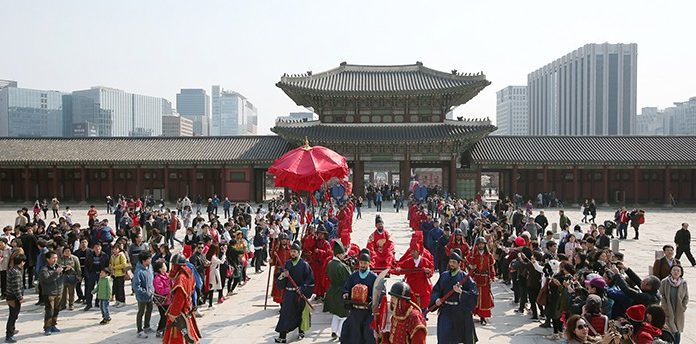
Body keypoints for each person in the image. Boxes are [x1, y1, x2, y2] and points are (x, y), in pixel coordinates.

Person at [429, 248, 478, 344]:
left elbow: (474, 294)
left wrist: (461, 292)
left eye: (454, 262)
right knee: (444, 338)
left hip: (460, 313)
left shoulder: (465, 277)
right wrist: (436, 299)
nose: (451, 264)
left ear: (459, 263)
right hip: (446, 311)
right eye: (450, 261)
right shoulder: (444, 275)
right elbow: (436, 290)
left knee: (457, 339)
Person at [274, 241, 314, 343]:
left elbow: (310, 280)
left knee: (299, 313)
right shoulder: (287, 264)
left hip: (299, 294)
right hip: (288, 294)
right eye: (291, 251)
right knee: (285, 314)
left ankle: (301, 331)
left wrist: (302, 289)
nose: (292, 253)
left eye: (295, 251)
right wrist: (283, 275)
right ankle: (282, 336)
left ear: (299, 252)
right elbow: (280, 280)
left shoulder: (304, 265)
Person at [340, 250, 377, 344]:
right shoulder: (354, 276)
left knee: (367, 333)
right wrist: (346, 293)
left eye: (365, 263)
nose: (362, 265)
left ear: (369, 263)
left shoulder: (373, 277)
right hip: (355, 310)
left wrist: (373, 301)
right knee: (353, 333)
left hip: (367, 312)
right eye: (361, 263)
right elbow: (347, 287)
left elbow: (379, 293)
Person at [163, 253, 201, 344]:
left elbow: (179, 299)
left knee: (179, 337)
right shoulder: (189, 273)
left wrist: (173, 314)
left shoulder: (181, 278)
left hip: (180, 313)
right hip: (187, 309)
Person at [393, 239, 434, 310]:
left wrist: (428, 272)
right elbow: (400, 266)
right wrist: (398, 269)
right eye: (411, 251)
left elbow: (431, 270)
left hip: (422, 286)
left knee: (423, 305)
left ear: (418, 252)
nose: (412, 253)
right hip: (411, 286)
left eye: (414, 251)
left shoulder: (425, 261)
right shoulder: (409, 261)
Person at [323, 241, 351, 339]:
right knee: (343, 315)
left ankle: (334, 331)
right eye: (343, 254)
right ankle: (340, 334)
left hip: (332, 290)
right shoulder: (341, 266)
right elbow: (349, 277)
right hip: (341, 292)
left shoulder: (330, 263)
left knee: (335, 314)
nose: (344, 255)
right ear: (338, 254)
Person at [468, 237, 496, 325]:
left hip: (485, 279)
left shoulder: (489, 255)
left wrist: (492, 276)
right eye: (479, 244)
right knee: (474, 297)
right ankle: (473, 313)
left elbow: (491, 267)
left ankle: (483, 317)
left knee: (484, 298)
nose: (481, 245)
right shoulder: (473, 255)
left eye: (482, 244)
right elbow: (467, 262)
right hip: (476, 278)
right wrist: (471, 267)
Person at [659, 264, 688, 344]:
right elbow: (661, 295)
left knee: (677, 329)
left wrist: (683, 307)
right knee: (670, 329)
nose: (676, 272)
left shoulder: (683, 283)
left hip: (679, 310)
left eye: (678, 271)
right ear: (670, 271)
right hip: (668, 309)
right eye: (674, 270)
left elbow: (686, 297)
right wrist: (665, 308)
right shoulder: (665, 282)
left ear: (681, 273)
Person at [39, 250, 64, 336]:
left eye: (56, 258)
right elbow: (46, 280)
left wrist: (68, 270)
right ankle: (47, 327)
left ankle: (53, 325)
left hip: (59, 292)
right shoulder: (44, 270)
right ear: (48, 259)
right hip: (49, 293)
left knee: (56, 310)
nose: (55, 260)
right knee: (49, 311)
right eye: (53, 258)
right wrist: (56, 273)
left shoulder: (59, 267)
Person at [132, 251, 154, 339]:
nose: (151, 260)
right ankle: (139, 330)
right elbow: (136, 286)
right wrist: (145, 292)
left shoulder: (150, 267)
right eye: (149, 259)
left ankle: (147, 326)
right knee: (141, 312)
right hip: (142, 296)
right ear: (144, 261)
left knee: (149, 310)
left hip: (150, 295)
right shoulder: (138, 271)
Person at [5, 254, 25, 343]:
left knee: (14, 315)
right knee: (13, 316)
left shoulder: (13, 270)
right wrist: (20, 297)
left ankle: (12, 330)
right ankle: (9, 335)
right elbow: (16, 287)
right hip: (13, 298)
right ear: (22, 262)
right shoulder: (16, 272)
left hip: (11, 296)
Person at [84, 242, 108, 311]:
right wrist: (87, 274)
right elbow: (86, 265)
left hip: (101, 274)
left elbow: (106, 266)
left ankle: (97, 302)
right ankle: (89, 304)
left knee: (100, 289)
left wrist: (105, 274)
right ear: (93, 248)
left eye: (99, 247)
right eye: (96, 247)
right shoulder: (89, 255)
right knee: (89, 289)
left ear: (101, 248)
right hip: (92, 273)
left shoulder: (104, 255)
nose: (97, 249)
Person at [58, 246, 80, 311]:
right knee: (63, 292)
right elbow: (57, 266)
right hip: (62, 277)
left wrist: (78, 275)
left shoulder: (74, 258)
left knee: (71, 292)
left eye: (69, 251)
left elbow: (78, 268)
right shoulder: (60, 259)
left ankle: (71, 304)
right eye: (65, 251)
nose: (67, 253)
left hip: (71, 276)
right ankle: (63, 304)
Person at [153, 260, 171, 338]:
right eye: (164, 266)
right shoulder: (157, 279)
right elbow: (160, 291)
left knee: (167, 316)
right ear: (160, 269)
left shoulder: (167, 275)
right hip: (163, 301)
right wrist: (170, 288)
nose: (166, 267)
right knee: (164, 316)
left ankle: (165, 331)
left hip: (169, 300)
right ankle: (160, 331)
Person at [109, 243, 128, 308]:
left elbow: (124, 264)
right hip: (114, 274)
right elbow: (110, 263)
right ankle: (117, 300)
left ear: (119, 249)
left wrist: (115, 267)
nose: (114, 250)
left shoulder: (121, 255)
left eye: (116, 249)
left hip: (120, 274)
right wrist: (111, 267)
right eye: (113, 249)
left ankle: (122, 301)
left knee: (120, 288)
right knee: (115, 288)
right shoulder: (112, 256)